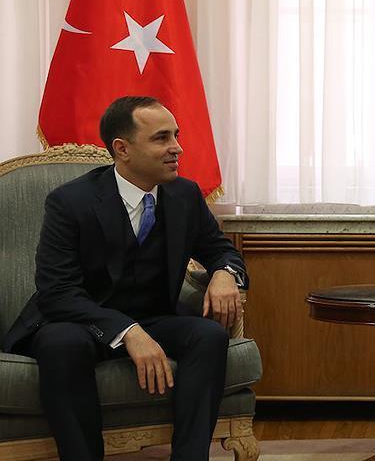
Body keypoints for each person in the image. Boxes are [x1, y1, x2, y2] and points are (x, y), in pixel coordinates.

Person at [2, 96, 248, 461]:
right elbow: (57, 291)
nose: (177, 148)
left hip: (154, 315)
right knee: (61, 344)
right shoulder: (70, 202)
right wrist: (128, 332)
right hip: (80, 321)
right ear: (122, 149)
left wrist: (225, 274)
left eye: (176, 135)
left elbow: (220, 250)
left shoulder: (185, 194)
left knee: (208, 335)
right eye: (161, 138)